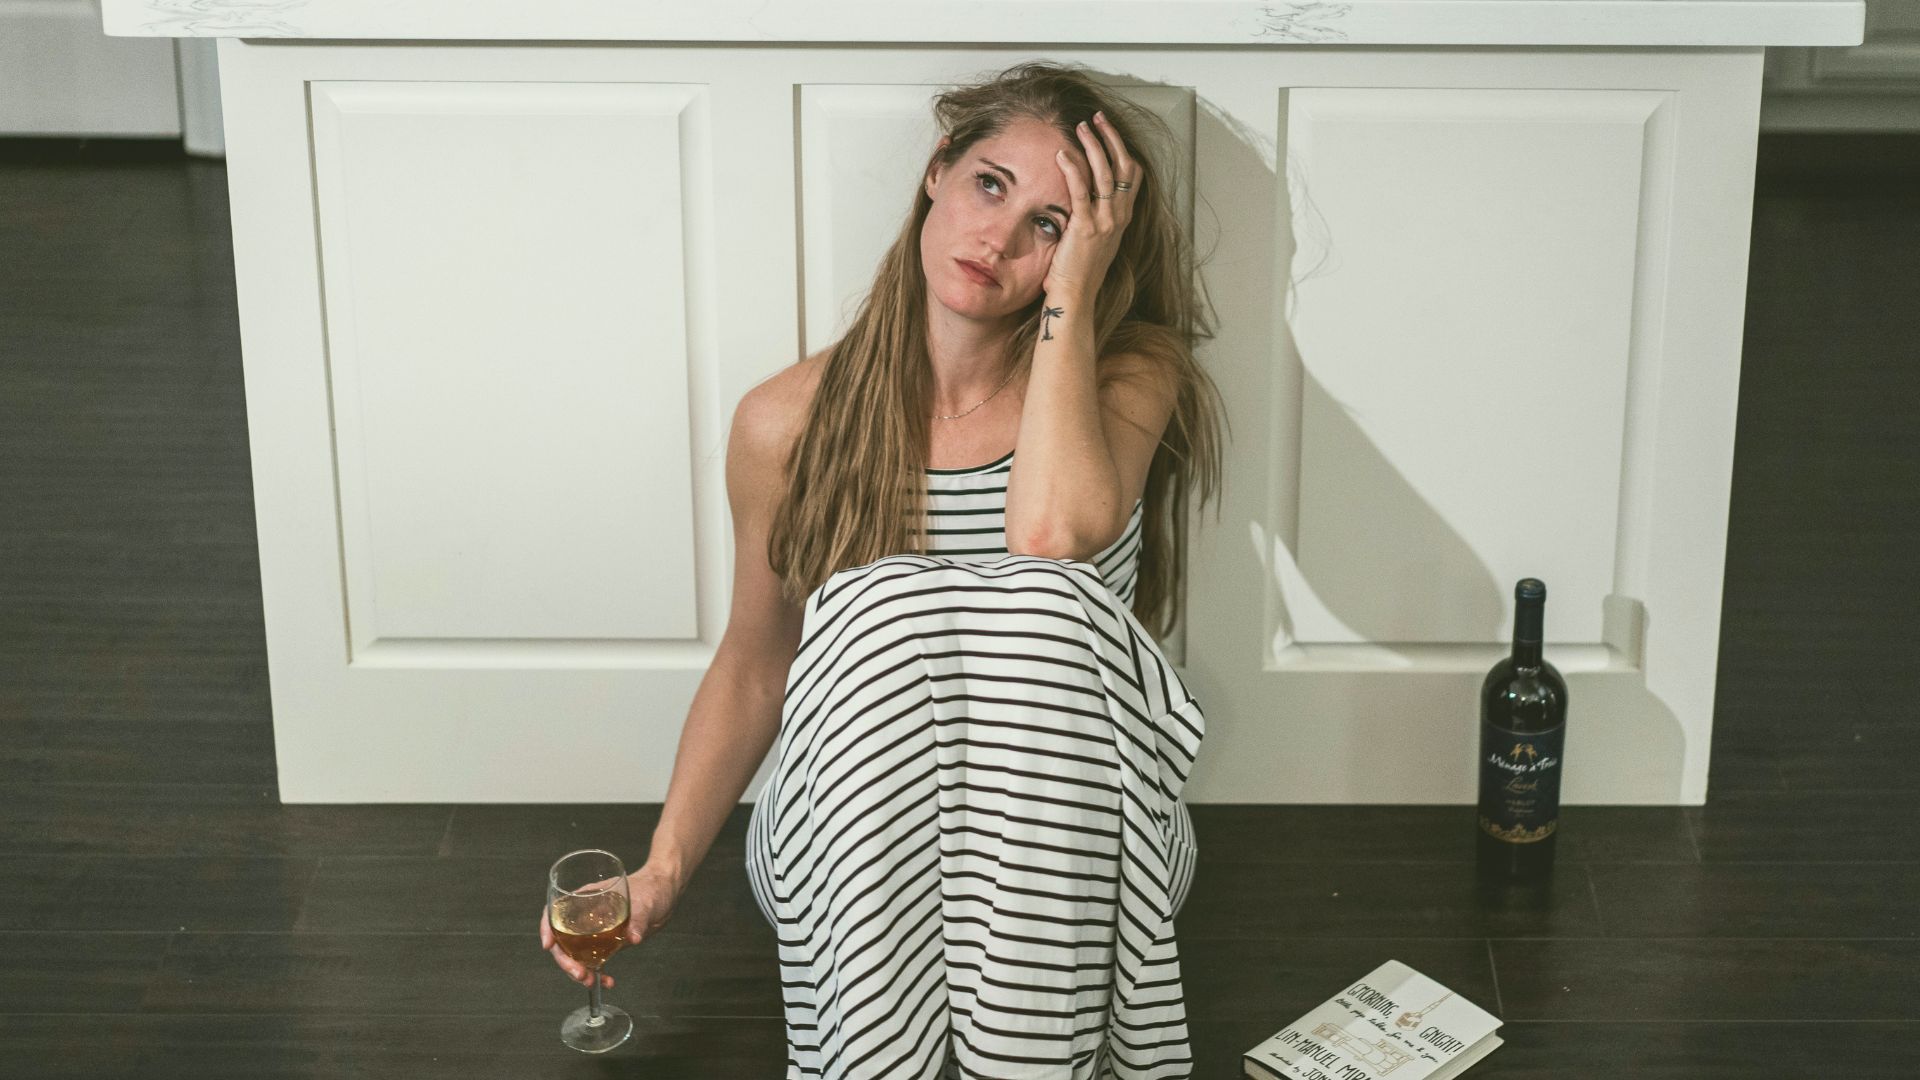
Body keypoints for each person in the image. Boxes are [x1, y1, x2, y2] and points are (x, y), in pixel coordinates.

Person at [541, 60, 1227, 1078]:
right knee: (879, 608)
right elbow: (756, 662)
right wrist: (663, 870)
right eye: (990, 185)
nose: (998, 238)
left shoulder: (1126, 373)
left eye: (1050, 223)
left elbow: (1051, 535)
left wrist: (1074, 296)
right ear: (937, 171)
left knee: (1039, 603)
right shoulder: (787, 423)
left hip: (1069, 841)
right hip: (862, 842)